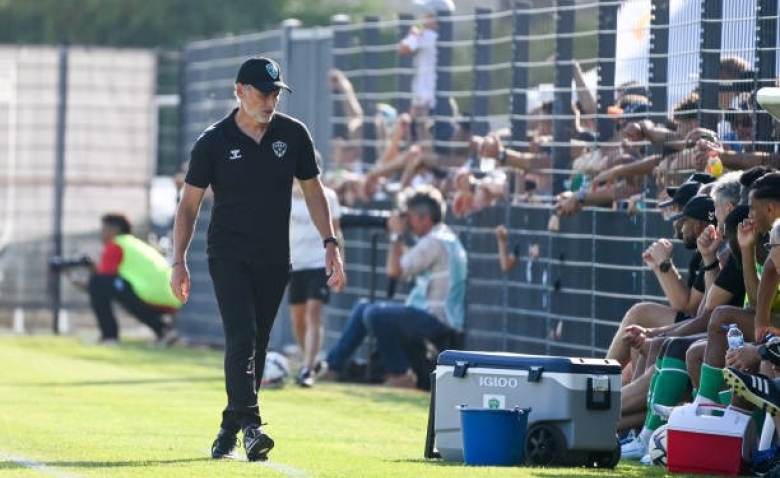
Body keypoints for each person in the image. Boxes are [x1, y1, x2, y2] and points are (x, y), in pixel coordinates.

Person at [170, 57, 346, 462]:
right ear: (240, 92)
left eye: (275, 94)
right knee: (242, 338)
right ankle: (252, 427)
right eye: (263, 93)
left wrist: (330, 241)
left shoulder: (293, 134)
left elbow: (315, 191)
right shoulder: (212, 142)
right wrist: (178, 261)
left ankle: (229, 427)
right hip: (227, 254)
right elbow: (188, 206)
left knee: (258, 345)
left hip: (273, 256)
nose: (271, 101)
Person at [320, 184, 467, 388]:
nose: (407, 222)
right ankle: (333, 365)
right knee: (364, 307)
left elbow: (394, 270)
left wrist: (396, 235)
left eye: (410, 216)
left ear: (425, 218)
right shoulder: (443, 238)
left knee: (375, 314)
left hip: (439, 320)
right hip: (435, 315)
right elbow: (407, 262)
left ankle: (400, 373)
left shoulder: (434, 242)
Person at [65, 213, 180, 346]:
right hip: (170, 297)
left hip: (154, 297)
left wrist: (76, 279)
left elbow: (100, 283)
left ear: (114, 230)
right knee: (110, 285)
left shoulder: (116, 245)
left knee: (99, 282)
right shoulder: (133, 243)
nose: (101, 234)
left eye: (103, 229)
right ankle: (163, 330)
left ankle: (109, 337)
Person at [289, 176, 345, 388]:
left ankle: (308, 368)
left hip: (320, 262)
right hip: (296, 264)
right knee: (298, 318)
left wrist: (341, 264)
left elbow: (337, 231)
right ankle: (308, 360)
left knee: (314, 312)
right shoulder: (287, 197)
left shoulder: (328, 197)